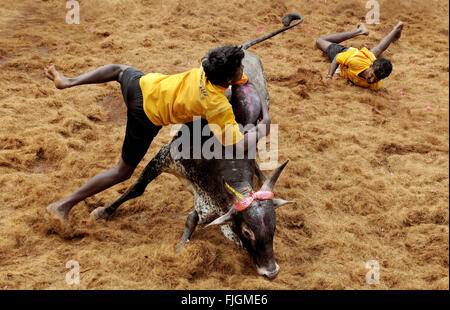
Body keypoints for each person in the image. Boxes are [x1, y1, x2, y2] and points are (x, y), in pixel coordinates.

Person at [44, 45, 271, 222]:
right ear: (227, 79)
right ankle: (63, 205)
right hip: (146, 116)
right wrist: (263, 128)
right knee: (122, 171)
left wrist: (235, 65)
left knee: (119, 70)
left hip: (144, 84)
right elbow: (238, 143)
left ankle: (68, 82)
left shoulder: (207, 66)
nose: (243, 69)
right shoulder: (217, 106)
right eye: (240, 67)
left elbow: (236, 76)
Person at [316, 22, 403, 90]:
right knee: (320, 41)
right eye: (371, 75)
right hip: (348, 55)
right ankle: (359, 31)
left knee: (377, 50)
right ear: (370, 66)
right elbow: (337, 58)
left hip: (364, 59)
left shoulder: (375, 85)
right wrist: (329, 76)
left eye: (376, 79)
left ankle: (396, 29)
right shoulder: (355, 61)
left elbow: (372, 76)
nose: (371, 80)